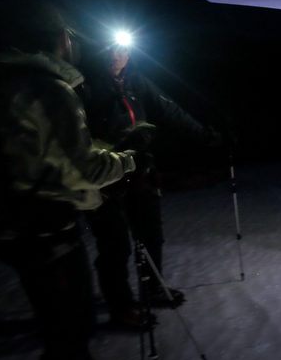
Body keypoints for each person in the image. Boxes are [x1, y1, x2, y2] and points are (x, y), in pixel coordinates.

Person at [0, 3, 138, 360]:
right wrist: (127, 161)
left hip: (18, 220)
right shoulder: (48, 87)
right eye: (67, 35)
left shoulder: (5, 81)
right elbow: (83, 165)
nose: (72, 42)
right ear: (54, 39)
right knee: (67, 325)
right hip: (44, 224)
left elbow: (47, 151)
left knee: (67, 318)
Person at [82, 34, 219, 328]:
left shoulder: (137, 82)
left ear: (129, 53)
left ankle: (153, 288)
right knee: (114, 244)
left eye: (121, 49)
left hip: (140, 169)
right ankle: (121, 305)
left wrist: (207, 136)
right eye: (109, 48)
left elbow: (171, 111)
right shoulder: (86, 86)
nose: (115, 55)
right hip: (105, 176)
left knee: (151, 233)